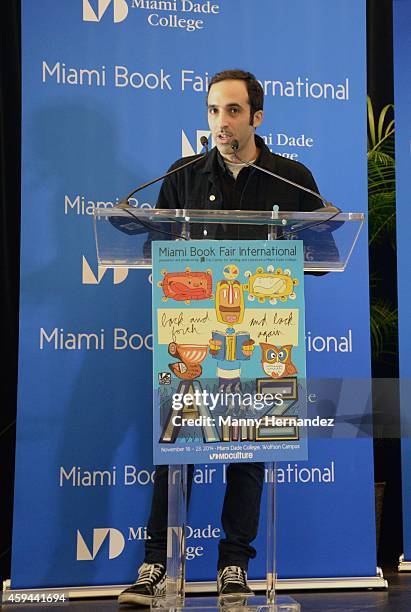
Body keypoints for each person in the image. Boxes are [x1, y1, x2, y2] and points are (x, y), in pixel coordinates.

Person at [118, 69, 322, 607]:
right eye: (213, 111)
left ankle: (234, 565)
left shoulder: (291, 177)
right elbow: (153, 249)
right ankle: (154, 565)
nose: (221, 122)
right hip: (191, 333)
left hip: (261, 331)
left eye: (232, 111)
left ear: (256, 117)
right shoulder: (183, 174)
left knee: (248, 450)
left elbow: (322, 257)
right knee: (176, 449)